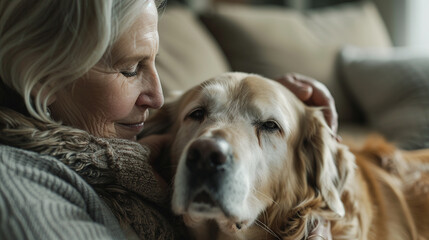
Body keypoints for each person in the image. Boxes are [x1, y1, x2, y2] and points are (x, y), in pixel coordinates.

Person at [0, 0, 336, 239]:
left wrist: (296, 118)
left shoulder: (133, 158)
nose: (157, 97)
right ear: (44, 81)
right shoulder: (19, 187)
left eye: (154, 64)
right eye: (130, 68)